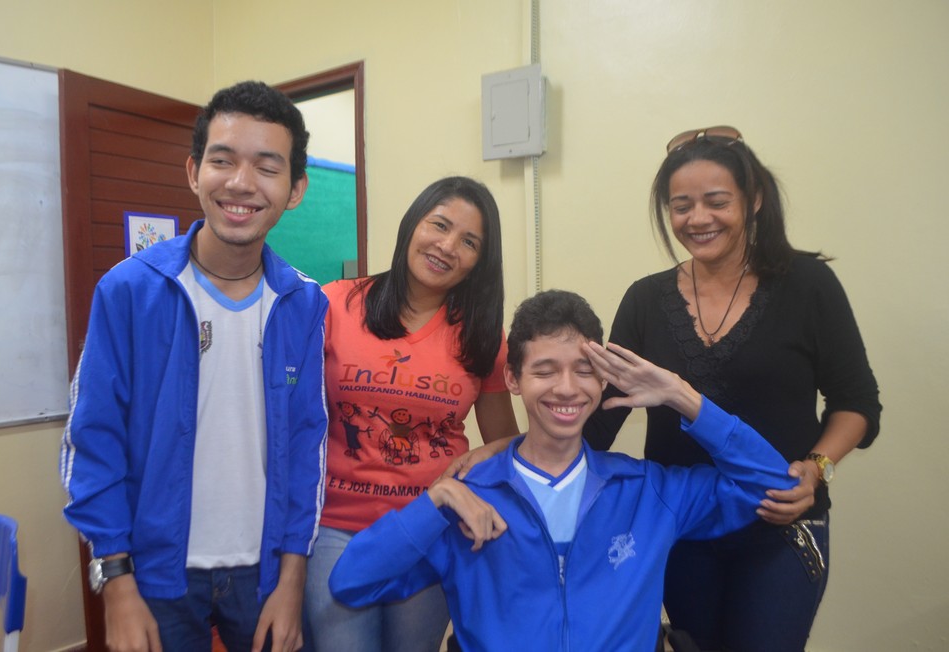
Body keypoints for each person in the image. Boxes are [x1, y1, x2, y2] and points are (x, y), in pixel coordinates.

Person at [327, 289, 797, 651]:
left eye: (584, 370)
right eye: (545, 370)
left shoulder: (647, 490)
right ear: (513, 379)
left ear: (604, 377)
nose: (567, 389)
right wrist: (439, 498)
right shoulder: (471, 500)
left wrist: (683, 398)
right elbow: (352, 580)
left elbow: (774, 485)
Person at [583, 125, 882, 651]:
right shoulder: (645, 300)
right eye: (681, 206)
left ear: (754, 199)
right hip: (683, 529)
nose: (698, 219)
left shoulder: (808, 285)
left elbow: (856, 404)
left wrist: (817, 469)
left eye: (716, 202)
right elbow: (605, 416)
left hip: (780, 523)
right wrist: (519, 459)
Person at [60, 80, 327, 652]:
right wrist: (116, 584)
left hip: (264, 577)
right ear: (192, 171)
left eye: (266, 166)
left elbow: (309, 446)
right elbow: (92, 441)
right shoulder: (130, 291)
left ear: (295, 188)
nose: (240, 183)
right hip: (156, 578)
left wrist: (292, 578)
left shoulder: (304, 303)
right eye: (222, 160)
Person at [302, 177, 520, 652]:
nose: (447, 247)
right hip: (336, 524)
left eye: (469, 242)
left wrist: (485, 455)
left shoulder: (481, 335)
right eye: (439, 225)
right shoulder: (334, 303)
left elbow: (507, 441)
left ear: (480, 262)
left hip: (430, 525)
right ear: (412, 225)